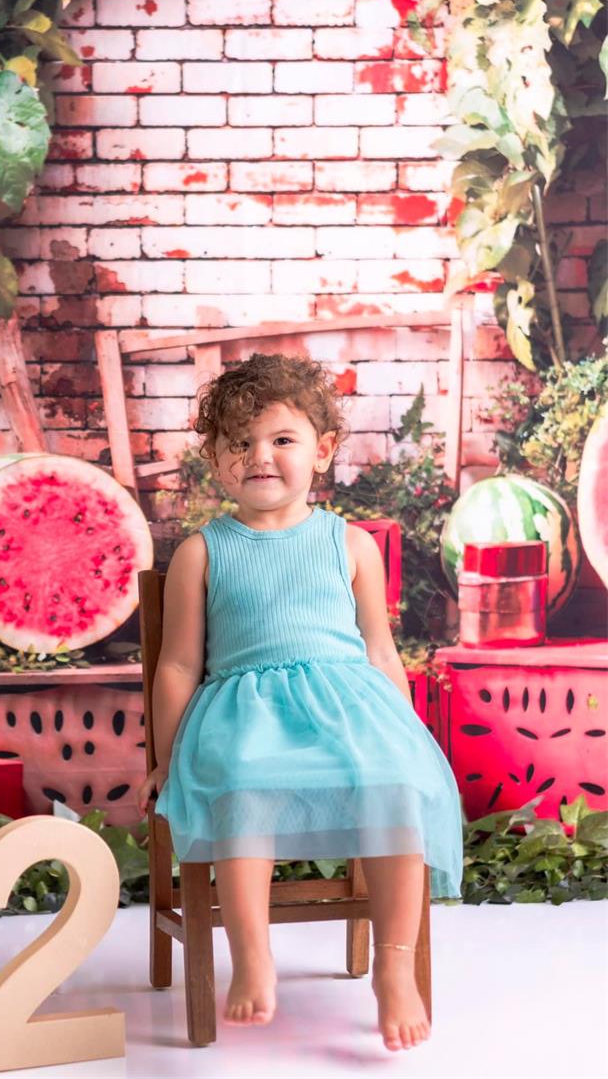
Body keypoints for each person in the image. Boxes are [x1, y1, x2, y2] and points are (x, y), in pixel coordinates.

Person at [136, 352, 464, 1052]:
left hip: (346, 711)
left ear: (322, 451)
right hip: (246, 717)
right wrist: (167, 758)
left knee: (396, 787)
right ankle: (253, 954)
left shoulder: (349, 544)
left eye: (281, 439)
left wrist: (401, 731)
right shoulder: (203, 551)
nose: (260, 455)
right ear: (216, 459)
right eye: (239, 442)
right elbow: (178, 664)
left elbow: (378, 652)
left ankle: (394, 964)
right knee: (243, 784)